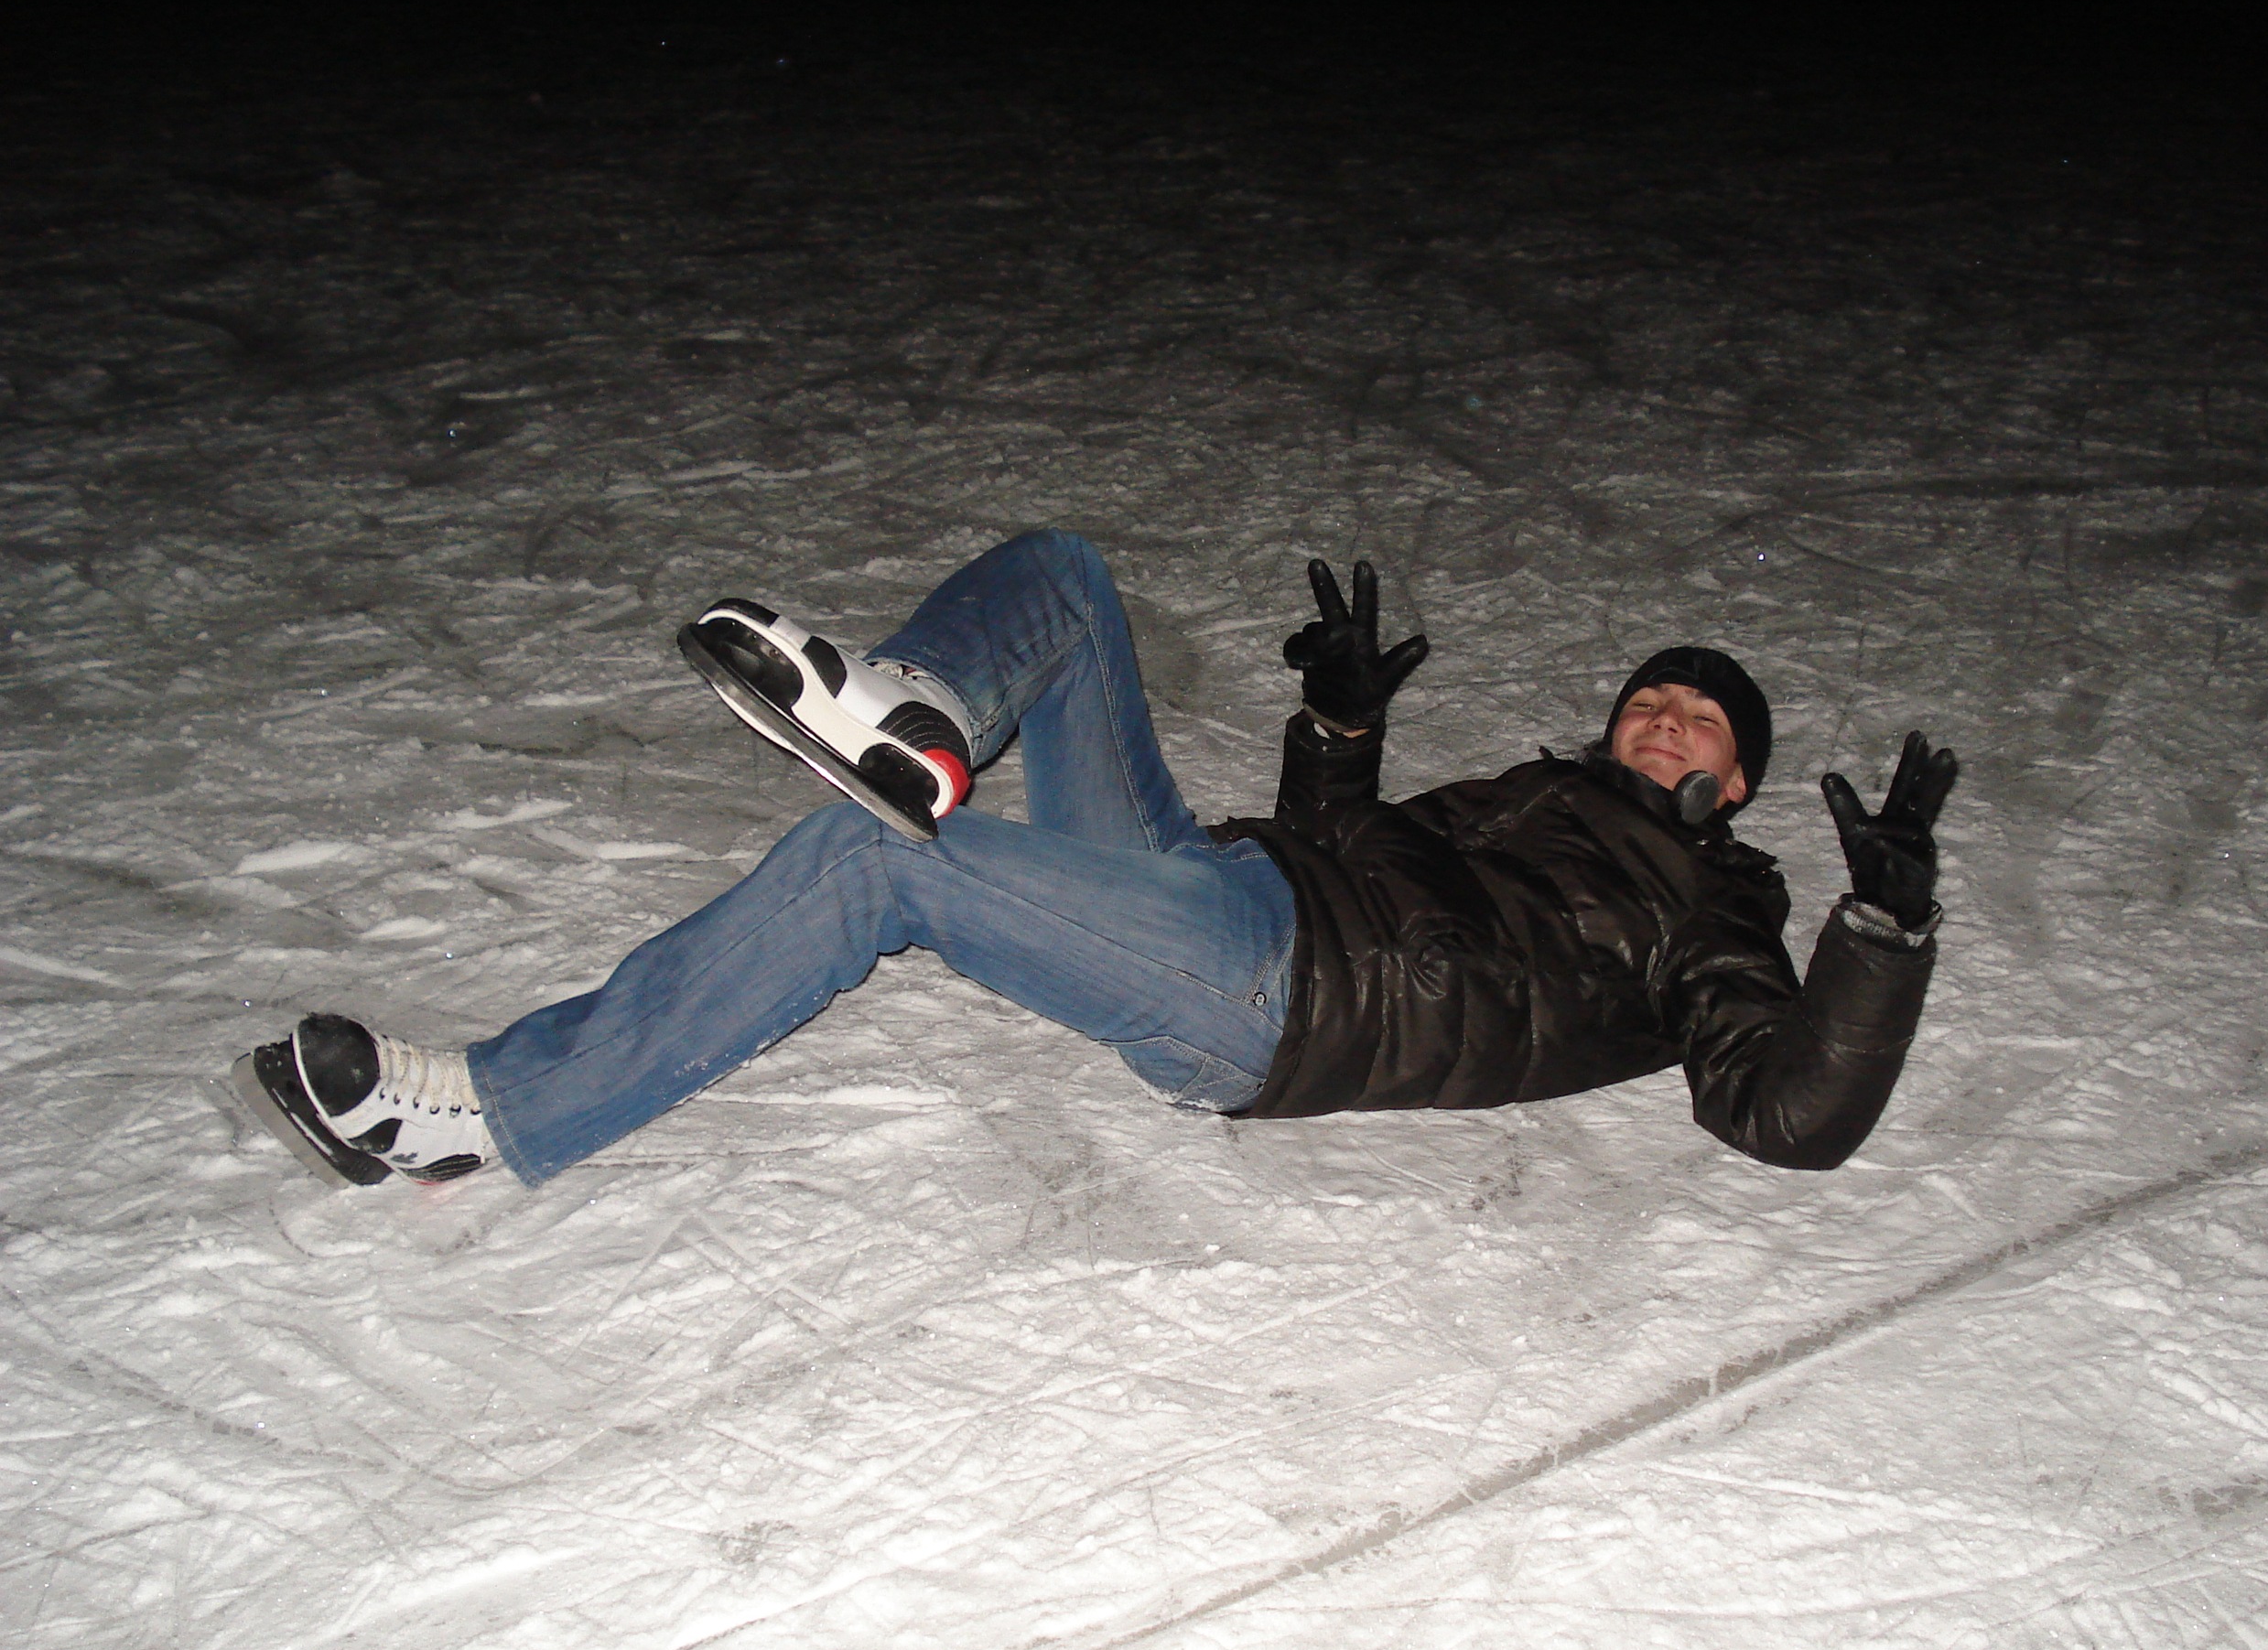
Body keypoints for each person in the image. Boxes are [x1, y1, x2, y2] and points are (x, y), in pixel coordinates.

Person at [232, 529, 1957, 1190]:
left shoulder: (1714, 914)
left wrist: (1880, 931)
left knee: (876, 868)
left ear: (1738, 783)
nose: (1662, 717)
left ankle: (478, 1112)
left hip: (1274, 1001)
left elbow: (1785, 1114)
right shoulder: (1532, 792)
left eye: (1696, 720)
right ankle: (919, 717)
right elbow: (1349, 851)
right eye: (1650, 696)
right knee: (1064, 576)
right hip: (1237, 896)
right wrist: (1342, 727)